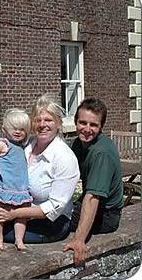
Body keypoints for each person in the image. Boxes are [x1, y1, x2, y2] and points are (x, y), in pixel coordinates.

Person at [0, 95, 80, 245]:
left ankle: (5, 261)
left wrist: (13, 214)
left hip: (50, 223)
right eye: (37, 120)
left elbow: (54, 207)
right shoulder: (26, 145)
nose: (42, 124)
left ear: (59, 123)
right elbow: (6, 159)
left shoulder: (64, 158)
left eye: (48, 120)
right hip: (19, 211)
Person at [63, 98, 124, 265]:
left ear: (101, 127)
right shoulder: (77, 144)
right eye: (83, 123)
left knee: (55, 220)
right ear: (75, 122)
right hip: (91, 206)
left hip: (106, 215)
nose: (87, 129)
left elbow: (92, 198)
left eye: (94, 125)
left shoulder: (101, 153)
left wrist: (79, 240)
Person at [0, 108, 32, 251]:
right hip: (4, 186)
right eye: (14, 128)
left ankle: (19, 240)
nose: (18, 132)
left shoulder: (23, 146)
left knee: (21, 216)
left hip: (20, 188)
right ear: (5, 129)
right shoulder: (4, 144)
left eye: (22, 129)